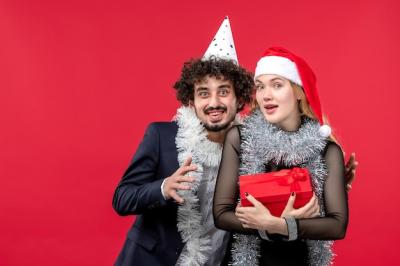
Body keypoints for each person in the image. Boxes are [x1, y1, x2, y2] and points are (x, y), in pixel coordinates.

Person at [213, 46, 349, 266]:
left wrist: (279, 225)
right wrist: (266, 224)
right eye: (260, 87)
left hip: (298, 260)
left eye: (277, 85)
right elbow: (221, 214)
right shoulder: (240, 138)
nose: (266, 95)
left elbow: (337, 225)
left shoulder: (326, 150)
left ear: (298, 91)